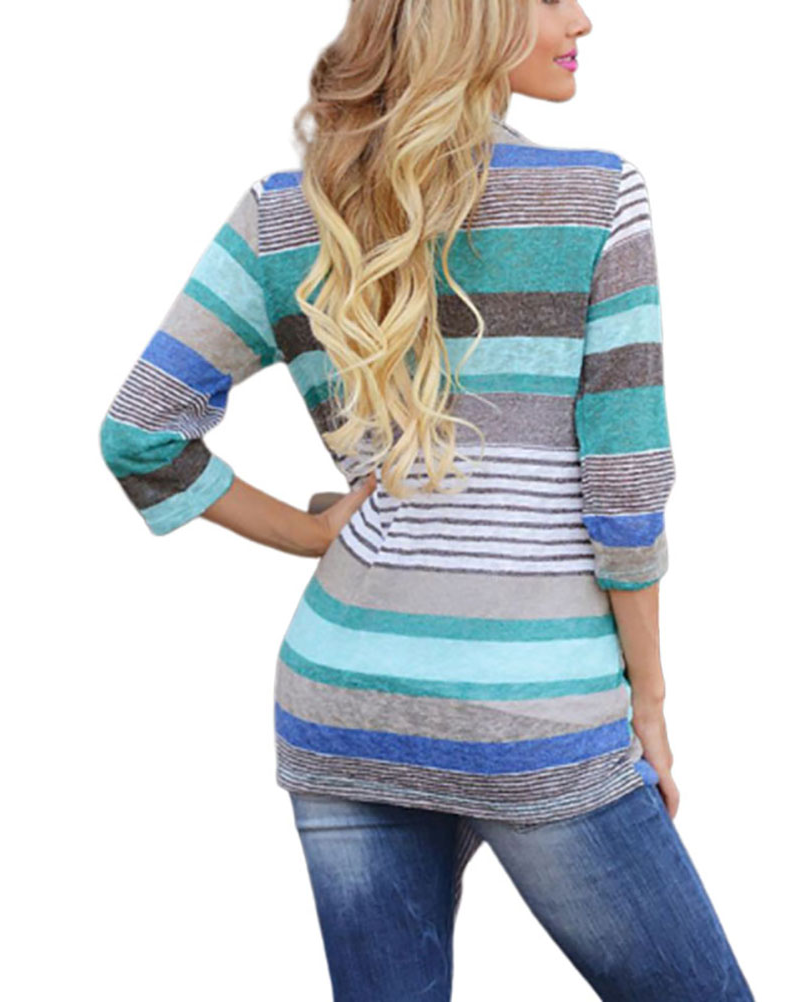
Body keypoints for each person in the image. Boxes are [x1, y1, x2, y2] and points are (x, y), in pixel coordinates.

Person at [99, 1, 755, 998]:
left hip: (344, 699)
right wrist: (650, 706)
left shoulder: (285, 213)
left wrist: (313, 534)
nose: (583, 18)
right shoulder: (597, 198)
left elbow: (140, 429)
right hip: (533, 709)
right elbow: (625, 489)